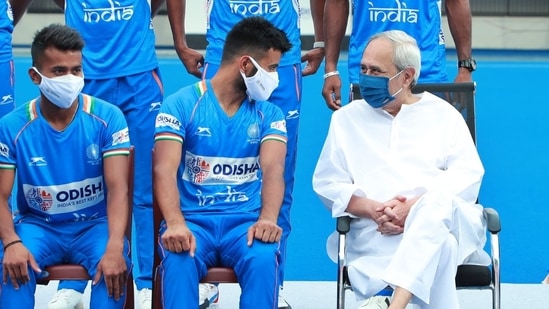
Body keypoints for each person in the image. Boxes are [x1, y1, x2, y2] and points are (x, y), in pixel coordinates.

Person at [312, 30, 489, 309]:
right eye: (363, 69)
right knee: (442, 246)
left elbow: (468, 176)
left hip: (448, 222)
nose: (366, 77)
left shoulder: (444, 115)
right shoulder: (346, 119)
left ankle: (395, 304)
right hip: (377, 233)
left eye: (376, 71)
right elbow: (327, 183)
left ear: (406, 77)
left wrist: (415, 209)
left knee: (437, 204)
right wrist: (373, 209)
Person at [166, 1, 324, 307]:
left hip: (284, 54)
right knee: (204, 157)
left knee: (279, 174)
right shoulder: (184, 102)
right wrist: (180, 41)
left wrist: (319, 40)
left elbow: (276, 172)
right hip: (224, 49)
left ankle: (272, 285)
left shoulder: (277, 71)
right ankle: (206, 283)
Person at [14, 1, 166, 308]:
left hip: (137, 72)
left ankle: (147, 280)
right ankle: (74, 285)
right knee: (79, 176)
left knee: (143, 187)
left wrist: (178, 41)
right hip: (89, 72)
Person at [153, 16, 289, 309]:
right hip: (192, 222)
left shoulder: (271, 114)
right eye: (272, 68)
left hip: (244, 225)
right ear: (246, 65)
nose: (276, 78)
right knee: (178, 255)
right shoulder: (181, 104)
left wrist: (267, 219)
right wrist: (175, 223)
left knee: (264, 256)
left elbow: (274, 169)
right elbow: (163, 168)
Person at [0, 23, 132, 308]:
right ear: (35, 76)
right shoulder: (12, 127)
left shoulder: (108, 118)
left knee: (114, 269)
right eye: (59, 71)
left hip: (95, 227)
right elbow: (0, 195)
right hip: (37, 226)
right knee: (10, 267)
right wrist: (11, 242)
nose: (70, 79)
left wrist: (114, 245)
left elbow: (118, 188)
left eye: (76, 70)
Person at [316, 0, 476, 110]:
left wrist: (465, 68)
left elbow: (456, 2)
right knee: (369, 152)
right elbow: (337, 2)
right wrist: (330, 69)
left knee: (428, 152)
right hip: (370, 73)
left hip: (426, 73)